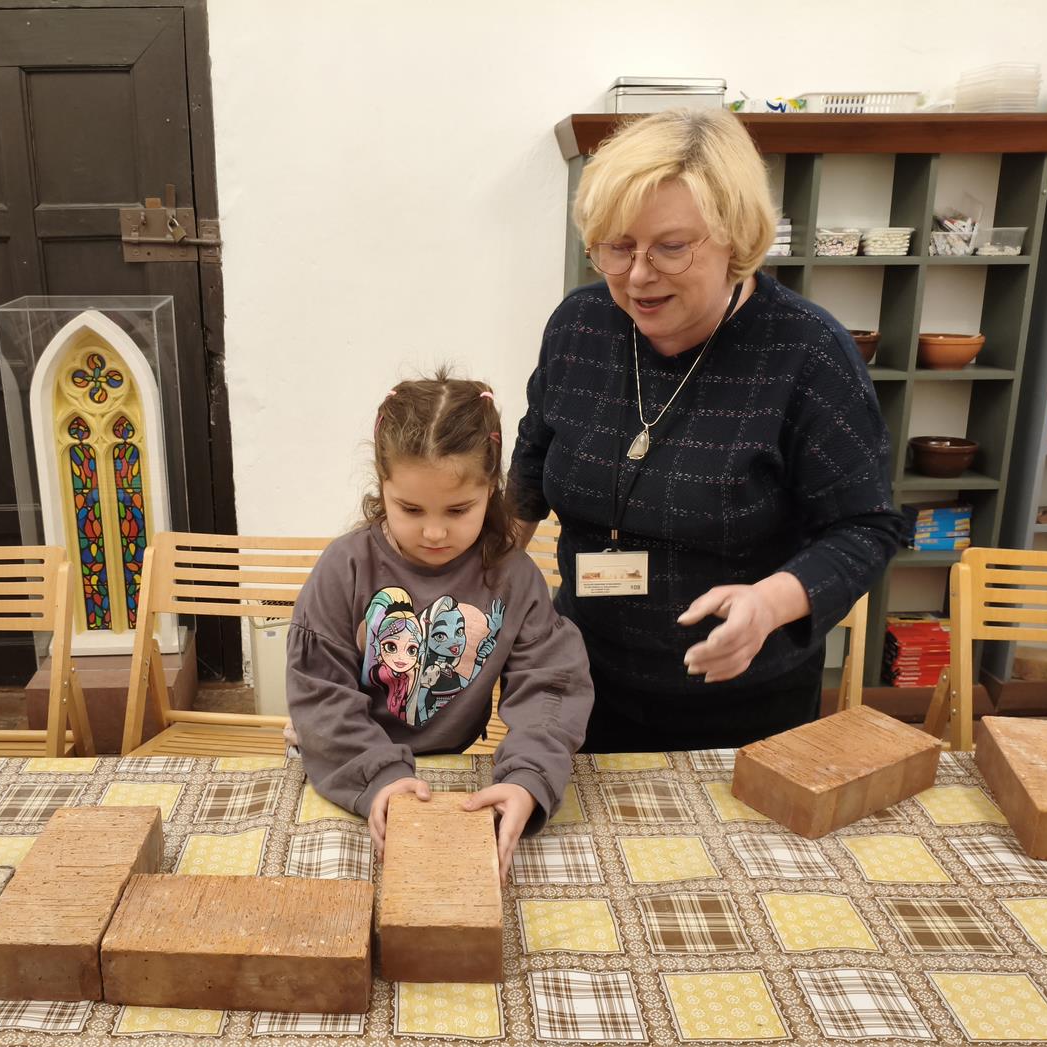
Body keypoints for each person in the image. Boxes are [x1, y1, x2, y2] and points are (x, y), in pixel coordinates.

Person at [508, 109, 906, 753]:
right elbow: (530, 470)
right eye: (616, 246)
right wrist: (465, 578)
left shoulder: (807, 353)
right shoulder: (580, 326)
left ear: (736, 239)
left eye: (671, 247)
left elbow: (867, 527)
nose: (638, 275)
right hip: (581, 682)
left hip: (742, 705)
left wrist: (770, 603)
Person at [288, 373, 592, 880]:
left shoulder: (513, 577)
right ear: (381, 485)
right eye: (410, 509)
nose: (433, 532)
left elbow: (551, 686)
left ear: (491, 489)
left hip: (455, 769)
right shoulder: (345, 568)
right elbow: (320, 695)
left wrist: (527, 777)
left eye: (458, 510)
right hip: (347, 767)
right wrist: (379, 776)